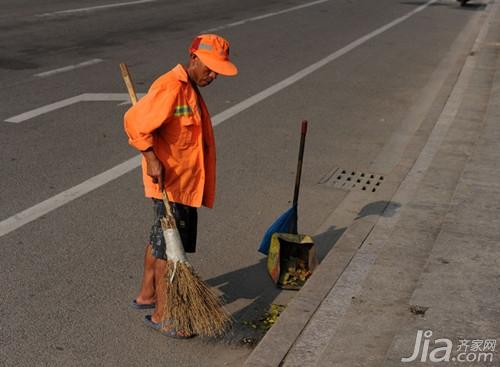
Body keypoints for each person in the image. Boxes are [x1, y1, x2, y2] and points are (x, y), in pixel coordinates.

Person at [123, 34, 238, 337]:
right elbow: (135, 123)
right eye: (210, 69)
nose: (212, 76)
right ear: (194, 58)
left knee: (161, 240)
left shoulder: (189, 89)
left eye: (217, 72)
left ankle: (147, 295)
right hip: (170, 185)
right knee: (169, 251)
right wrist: (150, 157)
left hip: (184, 184)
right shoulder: (172, 87)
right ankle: (166, 315)